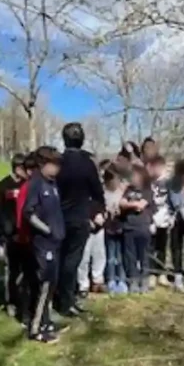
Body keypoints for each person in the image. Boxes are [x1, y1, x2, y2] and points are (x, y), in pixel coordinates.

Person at [55, 122, 105, 317]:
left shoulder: (58, 162)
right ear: (82, 140)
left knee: (61, 260)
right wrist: (97, 212)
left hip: (57, 219)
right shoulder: (87, 163)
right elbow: (97, 193)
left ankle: (59, 298)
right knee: (71, 262)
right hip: (78, 219)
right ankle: (66, 302)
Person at [23, 146, 66, 342]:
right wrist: (46, 230)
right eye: (53, 164)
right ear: (42, 164)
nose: (56, 168)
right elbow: (28, 213)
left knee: (52, 284)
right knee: (44, 284)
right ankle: (36, 328)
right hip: (43, 244)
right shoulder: (36, 184)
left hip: (56, 243)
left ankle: (47, 321)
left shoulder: (53, 184)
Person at [0, 153, 27, 317]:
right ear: (17, 167)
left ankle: (23, 300)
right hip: (10, 235)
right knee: (11, 270)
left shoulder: (27, 185)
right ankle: (11, 301)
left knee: (24, 270)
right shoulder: (4, 185)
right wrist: (5, 231)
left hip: (25, 234)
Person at [120, 164, 155, 294]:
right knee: (131, 256)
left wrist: (130, 204)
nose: (132, 178)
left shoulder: (147, 191)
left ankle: (144, 280)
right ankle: (133, 281)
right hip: (129, 227)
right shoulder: (128, 189)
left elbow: (141, 206)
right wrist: (132, 204)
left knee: (144, 255)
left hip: (143, 227)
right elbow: (121, 203)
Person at [166, 158, 184, 290]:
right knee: (177, 248)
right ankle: (178, 277)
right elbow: (176, 203)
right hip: (177, 218)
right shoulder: (173, 183)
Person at [147, 154, 172, 287]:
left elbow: (173, 201)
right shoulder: (148, 182)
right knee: (151, 248)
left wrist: (171, 217)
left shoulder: (168, 182)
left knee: (162, 248)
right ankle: (151, 273)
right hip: (152, 219)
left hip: (164, 219)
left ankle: (161, 273)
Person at [102, 167, 128, 294]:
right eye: (113, 180)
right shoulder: (104, 193)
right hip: (109, 228)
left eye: (117, 179)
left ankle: (122, 280)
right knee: (111, 256)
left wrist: (121, 210)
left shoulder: (122, 192)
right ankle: (111, 279)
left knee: (121, 256)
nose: (115, 182)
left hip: (121, 226)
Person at [78, 190, 107, 295]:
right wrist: (88, 220)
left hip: (99, 228)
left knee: (99, 255)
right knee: (84, 258)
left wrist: (103, 215)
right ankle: (83, 285)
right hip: (85, 228)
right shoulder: (79, 193)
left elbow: (103, 205)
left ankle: (97, 281)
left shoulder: (98, 193)